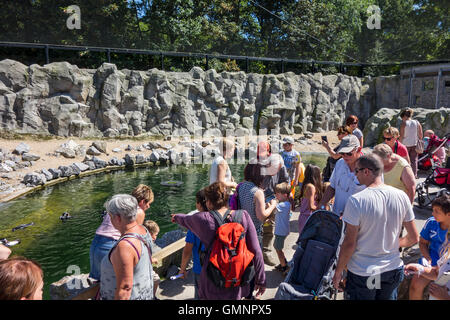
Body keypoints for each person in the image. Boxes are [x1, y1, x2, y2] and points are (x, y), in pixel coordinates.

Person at [332, 154, 419, 300]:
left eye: (357, 171)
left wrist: (338, 271)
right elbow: (413, 237)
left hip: (366, 271)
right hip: (392, 268)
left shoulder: (356, 201)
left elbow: (349, 243)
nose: (355, 175)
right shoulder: (401, 196)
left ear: (366, 171)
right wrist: (392, 244)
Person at [171, 182, 266, 300]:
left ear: (209, 202)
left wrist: (175, 217)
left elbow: (185, 219)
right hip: (235, 280)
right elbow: (256, 250)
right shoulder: (243, 216)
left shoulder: (203, 219)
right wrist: (261, 279)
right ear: (226, 200)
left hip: (212, 281)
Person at [89, 184, 152, 281]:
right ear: (143, 202)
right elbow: (134, 237)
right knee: (118, 282)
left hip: (96, 243)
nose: (149, 206)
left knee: (99, 282)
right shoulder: (138, 211)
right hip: (111, 244)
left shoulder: (120, 204)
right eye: (148, 204)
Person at [99, 194, 154, 300]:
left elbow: (125, 289)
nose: (110, 220)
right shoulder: (144, 231)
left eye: (110, 216)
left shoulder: (125, 246)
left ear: (118, 218)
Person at [408, 194, 450, 300]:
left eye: (437, 211)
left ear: (448, 214)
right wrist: (428, 258)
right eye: (433, 210)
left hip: (446, 266)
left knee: (438, 291)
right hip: (431, 261)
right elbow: (422, 243)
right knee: (415, 286)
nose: (432, 213)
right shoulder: (431, 222)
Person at [318, 134, 366, 217]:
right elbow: (332, 186)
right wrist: (322, 204)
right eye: (342, 153)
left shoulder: (369, 167)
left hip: (358, 220)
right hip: (337, 217)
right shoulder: (340, 163)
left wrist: (350, 213)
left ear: (359, 149)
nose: (345, 156)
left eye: (349, 153)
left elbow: (374, 197)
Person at [260, 153, 290, 266]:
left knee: (269, 227)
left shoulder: (281, 166)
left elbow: (286, 181)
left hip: (273, 197)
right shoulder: (261, 167)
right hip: (260, 198)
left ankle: (266, 252)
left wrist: (282, 196)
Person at [178, 189, 208, 299]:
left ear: (199, 205)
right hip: (219, 267)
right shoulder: (219, 219)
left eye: (196, 202)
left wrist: (182, 269)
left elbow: (187, 251)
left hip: (200, 269)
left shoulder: (195, 224)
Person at [405, 227, 450, 300]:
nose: (447, 239)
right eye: (448, 234)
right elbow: (436, 273)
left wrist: (445, 297)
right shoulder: (447, 256)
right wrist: (420, 269)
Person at [297, 164, 324, 236]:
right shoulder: (311, 187)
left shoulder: (307, 185)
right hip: (308, 217)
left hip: (306, 217)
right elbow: (311, 206)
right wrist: (322, 208)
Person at [272, 182, 292, 275]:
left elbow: (273, 207)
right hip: (281, 230)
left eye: (277, 194)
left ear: (284, 195)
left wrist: (271, 202)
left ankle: (284, 267)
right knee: (277, 247)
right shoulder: (285, 204)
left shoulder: (284, 205)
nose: (275, 195)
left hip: (281, 231)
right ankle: (283, 262)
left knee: (278, 248)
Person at [399, 108, 423, 178]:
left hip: (405, 144)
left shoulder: (404, 123)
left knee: (404, 160)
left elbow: (402, 136)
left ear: (403, 116)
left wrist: (399, 144)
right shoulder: (417, 122)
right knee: (414, 160)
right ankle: (414, 175)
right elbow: (421, 135)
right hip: (414, 144)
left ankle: (405, 175)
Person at [143, 219, 161, 300]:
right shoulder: (145, 242)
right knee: (156, 279)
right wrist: (152, 260)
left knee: (155, 280)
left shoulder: (145, 240)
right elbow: (142, 258)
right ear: (150, 234)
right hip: (142, 270)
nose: (155, 237)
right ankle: (152, 297)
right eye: (156, 235)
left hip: (145, 268)